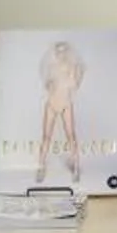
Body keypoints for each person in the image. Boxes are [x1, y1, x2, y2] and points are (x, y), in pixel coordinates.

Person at [38, 40, 87, 183]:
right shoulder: (52, 68)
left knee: (71, 136)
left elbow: (76, 82)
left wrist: (74, 74)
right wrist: (52, 84)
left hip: (66, 104)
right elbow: (48, 85)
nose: (61, 55)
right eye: (58, 52)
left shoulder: (72, 69)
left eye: (63, 52)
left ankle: (76, 167)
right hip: (52, 105)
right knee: (46, 136)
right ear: (56, 53)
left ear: (67, 53)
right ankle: (40, 166)